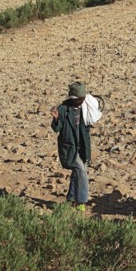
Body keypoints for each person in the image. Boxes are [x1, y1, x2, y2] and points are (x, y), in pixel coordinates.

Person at [50, 82, 92, 212]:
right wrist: (56, 119)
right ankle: (82, 201)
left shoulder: (86, 107)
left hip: (83, 146)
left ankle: (71, 197)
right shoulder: (62, 109)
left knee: (77, 172)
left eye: (82, 99)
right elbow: (56, 128)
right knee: (82, 172)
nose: (81, 101)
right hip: (69, 148)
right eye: (79, 99)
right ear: (72, 99)